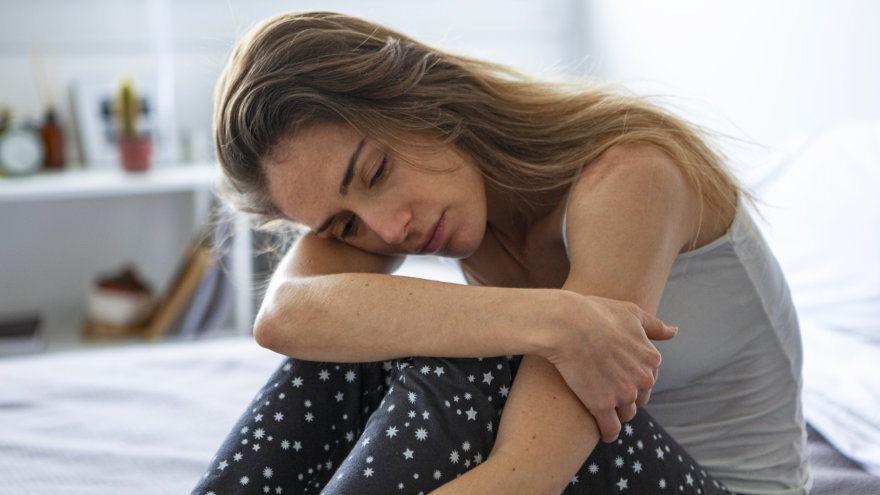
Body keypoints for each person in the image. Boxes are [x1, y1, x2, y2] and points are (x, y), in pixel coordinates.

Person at [194, 11, 811, 495]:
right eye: (343, 224)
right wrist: (557, 319)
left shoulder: (631, 175)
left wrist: (533, 330)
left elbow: (524, 480)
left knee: (472, 359)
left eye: (377, 171)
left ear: (422, 96)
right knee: (349, 344)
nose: (388, 230)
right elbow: (288, 318)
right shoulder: (437, 216)